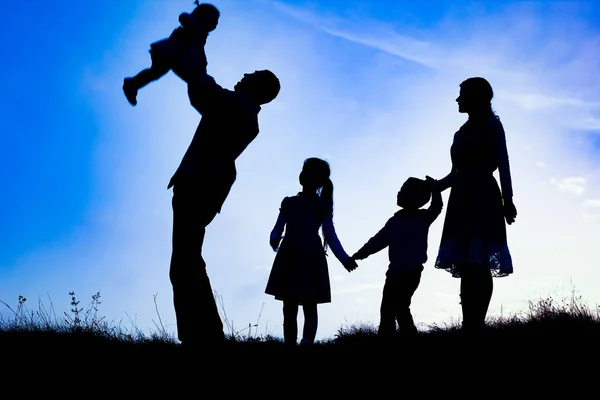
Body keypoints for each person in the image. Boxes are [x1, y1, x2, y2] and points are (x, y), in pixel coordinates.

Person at [167, 54, 281, 348]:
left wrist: (193, 48)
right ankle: (202, 334)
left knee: (185, 261)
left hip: (198, 186)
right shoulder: (241, 109)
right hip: (201, 185)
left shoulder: (237, 107)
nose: (245, 73)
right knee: (186, 259)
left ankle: (202, 336)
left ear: (259, 88)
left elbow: (202, 90)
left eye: (253, 74)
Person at [431, 77, 517, 334]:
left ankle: (476, 323)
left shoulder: (492, 125)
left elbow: (503, 162)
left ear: (478, 97)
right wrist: (434, 186)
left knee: (479, 260)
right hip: (460, 198)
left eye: (462, 94)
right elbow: (455, 173)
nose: (458, 99)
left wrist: (508, 199)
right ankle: (469, 322)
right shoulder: (460, 132)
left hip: (483, 196)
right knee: (467, 261)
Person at [265, 157, 358, 346]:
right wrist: (274, 237)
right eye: (303, 169)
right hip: (292, 255)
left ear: (317, 179)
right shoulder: (289, 202)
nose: (303, 173)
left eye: (307, 170)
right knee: (289, 305)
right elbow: (278, 227)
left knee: (309, 303)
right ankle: (290, 343)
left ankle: (306, 343)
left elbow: (330, 235)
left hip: (308, 256)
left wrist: (344, 258)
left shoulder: (321, 206)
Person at [351, 176, 442, 338]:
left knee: (399, 306)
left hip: (411, 272)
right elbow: (378, 241)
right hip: (395, 272)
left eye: (403, 191)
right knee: (389, 308)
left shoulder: (422, 218)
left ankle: (401, 337)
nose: (399, 193)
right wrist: (361, 253)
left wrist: (435, 188)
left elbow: (437, 206)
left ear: (415, 198)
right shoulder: (394, 222)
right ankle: (391, 338)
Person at [122, 2, 220, 106]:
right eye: (215, 19)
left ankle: (132, 83)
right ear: (204, 15)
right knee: (157, 73)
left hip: (176, 54)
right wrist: (191, 22)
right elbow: (183, 17)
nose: (216, 23)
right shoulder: (195, 24)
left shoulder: (201, 33)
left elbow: (197, 49)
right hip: (171, 52)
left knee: (155, 73)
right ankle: (132, 84)